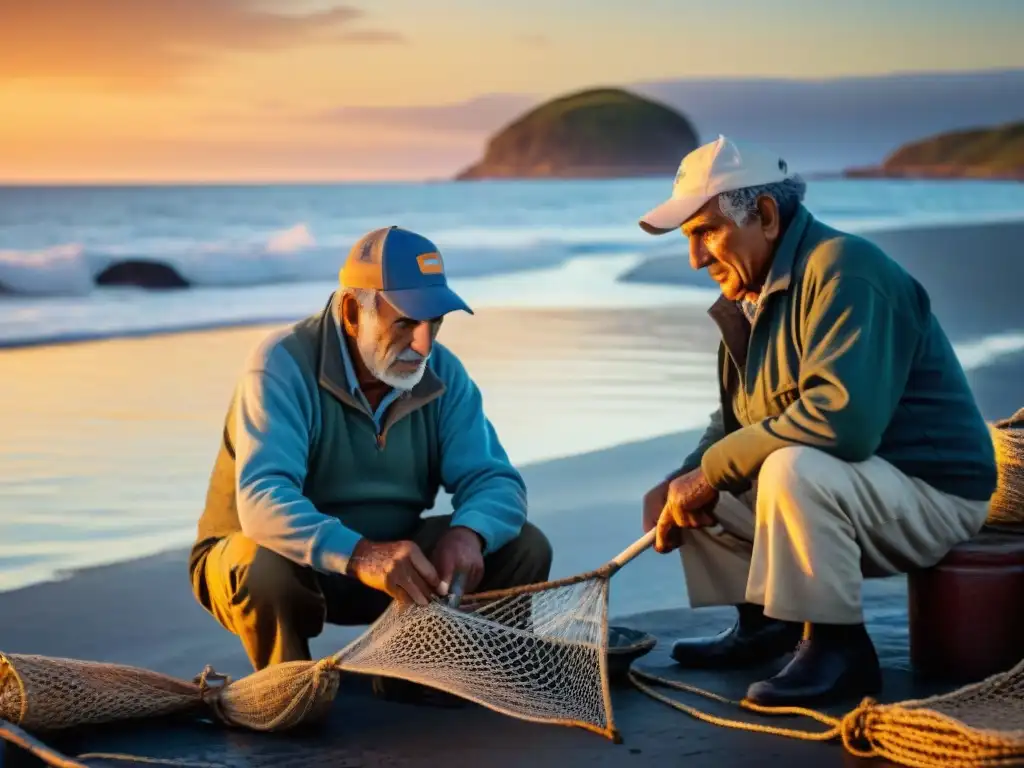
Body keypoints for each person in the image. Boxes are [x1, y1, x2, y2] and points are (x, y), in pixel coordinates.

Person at [635, 135, 996, 707]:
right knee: (697, 487)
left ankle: (838, 650)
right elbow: (735, 421)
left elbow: (842, 427)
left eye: (706, 233)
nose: (696, 258)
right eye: (689, 240)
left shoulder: (845, 270)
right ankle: (765, 625)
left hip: (935, 496)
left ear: (768, 216)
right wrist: (684, 477)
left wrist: (709, 472)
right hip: (862, 490)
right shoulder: (750, 298)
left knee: (788, 467)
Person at [189, 225, 553, 684]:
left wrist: (469, 533)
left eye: (435, 322)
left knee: (523, 545)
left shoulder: (443, 372)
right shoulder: (280, 363)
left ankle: (442, 676)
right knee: (261, 563)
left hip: (399, 573)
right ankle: (287, 687)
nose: (423, 343)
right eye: (406, 322)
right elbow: (262, 501)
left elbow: (496, 481)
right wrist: (361, 554)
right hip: (276, 569)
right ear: (351, 311)